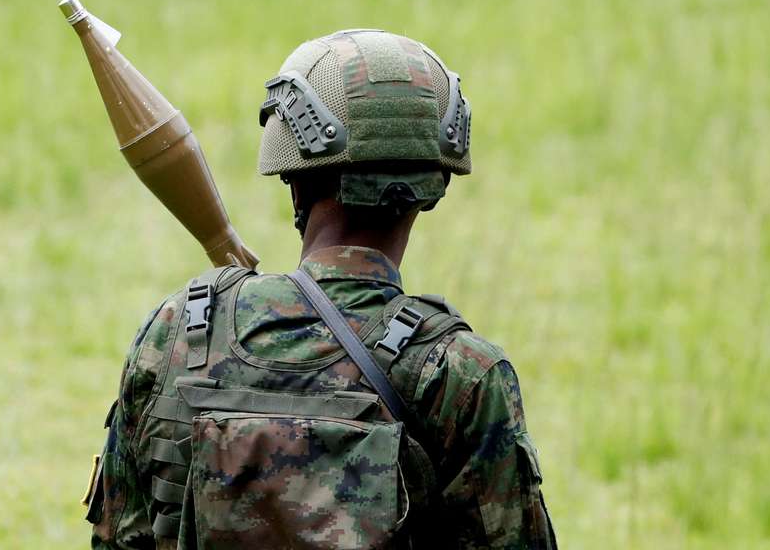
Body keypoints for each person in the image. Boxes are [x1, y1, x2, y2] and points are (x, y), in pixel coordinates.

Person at [85, 29, 556, 549]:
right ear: (434, 183)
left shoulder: (176, 335)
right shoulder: (459, 377)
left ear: (293, 173)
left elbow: (117, 539)